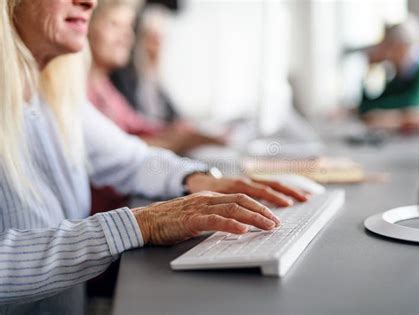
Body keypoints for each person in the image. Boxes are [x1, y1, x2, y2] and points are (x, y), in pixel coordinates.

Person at [0, 0, 308, 307]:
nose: (89, 2)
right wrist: (142, 224)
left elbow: (133, 159)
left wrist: (204, 181)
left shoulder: (52, 93)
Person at [88, 0, 222, 155]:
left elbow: (138, 126)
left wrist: (179, 132)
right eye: (114, 24)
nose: (126, 35)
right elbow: (115, 149)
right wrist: (181, 140)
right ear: (87, 27)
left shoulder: (105, 87)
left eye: (129, 27)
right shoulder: (83, 89)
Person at [358, 15, 419, 132]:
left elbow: (412, 103)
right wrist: (369, 70)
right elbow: (366, 105)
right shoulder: (399, 71)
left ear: (400, 46)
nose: (384, 51)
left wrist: (377, 112)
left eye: (387, 45)